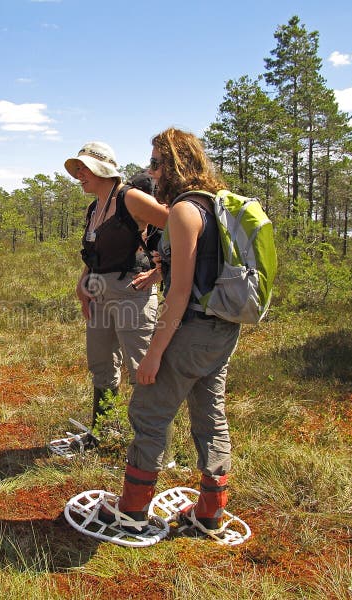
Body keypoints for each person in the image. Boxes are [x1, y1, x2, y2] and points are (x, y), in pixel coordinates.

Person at [106, 127, 241, 536]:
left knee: (149, 413)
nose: (151, 172)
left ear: (175, 165)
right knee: (210, 413)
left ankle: (131, 510)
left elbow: (179, 294)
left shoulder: (184, 210)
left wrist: (152, 354)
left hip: (192, 329)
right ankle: (210, 512)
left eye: (156, 163)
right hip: (222, 329)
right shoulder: (217, 205)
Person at [54, 142, 168, 452]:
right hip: (99, 295)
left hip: (133, 294)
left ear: (101, 169)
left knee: (142, 368)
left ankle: (153, 446)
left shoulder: (130, 198)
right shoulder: (94, 208)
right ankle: (103, 431)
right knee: (102, 364)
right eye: (77, 170)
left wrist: (159, 272)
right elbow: (94, 254)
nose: (79, 176)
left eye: (83, 169)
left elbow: (180, 226)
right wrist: (83, 284)